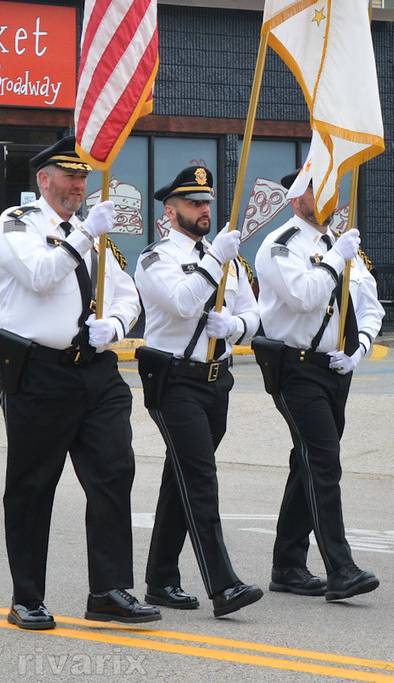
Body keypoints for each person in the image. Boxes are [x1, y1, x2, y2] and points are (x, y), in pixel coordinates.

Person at [0, 136, 160, 630]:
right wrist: (84, 233)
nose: (79, 186)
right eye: (70, 177)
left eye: (83, 177)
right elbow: (41, 275)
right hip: (40, 373)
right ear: (44, 180)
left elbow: (127, 294)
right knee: (33, 485)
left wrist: (118, 325)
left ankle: (108, 589)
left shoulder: (93, 232)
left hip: (97, 372)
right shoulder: (16, 226)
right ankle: (27, 597)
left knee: (113, 473)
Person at [134, 166, 264, 618]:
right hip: (174, 381)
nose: (204, 210)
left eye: (207, 202)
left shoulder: (224, 255)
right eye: (193, 203)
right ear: (171, 212)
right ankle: (223, 586)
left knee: (182, 479)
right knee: (202, 480)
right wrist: (215, 261)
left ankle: (160, 580)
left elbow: (254, 313)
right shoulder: (155, 258)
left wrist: (236, 326)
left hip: (216, 380)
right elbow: (183, 302)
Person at [252, 164, 385, 601]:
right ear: (296, 198)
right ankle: (340, 567)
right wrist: (336, 256)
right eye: (316, 189)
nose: (328, 196)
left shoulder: (338, 243)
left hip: (335, 368)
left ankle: (287, 565)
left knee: (307, 462)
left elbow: (371, 307)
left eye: (331, 188)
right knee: (324, 461)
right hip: (295, 368)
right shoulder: (279, 246)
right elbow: (305, 295)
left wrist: (359, 348)